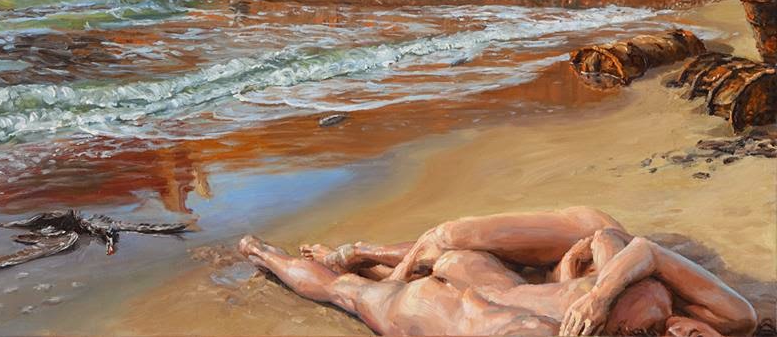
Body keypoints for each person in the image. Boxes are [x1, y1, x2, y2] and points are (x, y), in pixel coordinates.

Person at [237, 207, 757, 336]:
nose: (684, 335)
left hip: (463, 307)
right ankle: (368, 255)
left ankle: (262, 253)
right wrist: (595, 288)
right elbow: (631, 245)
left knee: (349, 295)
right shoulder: (734, 317)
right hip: (486, 274)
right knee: (445, 246)